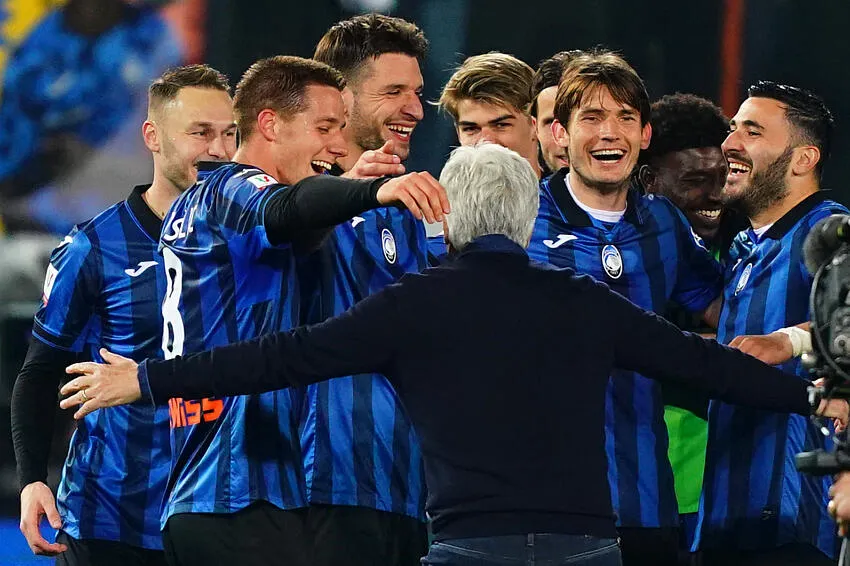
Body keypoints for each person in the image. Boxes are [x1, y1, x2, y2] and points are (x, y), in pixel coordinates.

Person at [58, 143, 849, 566]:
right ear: (531, 209)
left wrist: (145, 379)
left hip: (470, 547)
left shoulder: (411, 307)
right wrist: (817, 398)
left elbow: (277, 358)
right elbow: (708, 368)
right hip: (587, 547)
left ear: (448, 216)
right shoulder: (583, 300)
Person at [144, 55, 448, 566]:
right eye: (325, 127)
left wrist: (352, 188)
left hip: (226, 486)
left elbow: (303, 224)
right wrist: (373, 189)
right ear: (268, 123)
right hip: (236, 490)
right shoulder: (228, 186)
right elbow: (288, 210)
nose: (336, 142)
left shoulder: (205, 209)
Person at [10, 64, 236, 565]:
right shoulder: (93, 246)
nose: (219, 150)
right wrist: (30, 480)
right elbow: (41, 370)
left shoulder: (252, 240)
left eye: (229, 133)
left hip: (223, 511)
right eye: (200, 133)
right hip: (111, 516)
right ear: (153, 137)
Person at [526, 50, 723, 566]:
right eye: (591, 118)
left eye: (625, 118)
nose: (609, 133)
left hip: (648, 502)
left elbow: (728, 314)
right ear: (560, 135)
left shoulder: (665, 226)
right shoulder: (521, 218)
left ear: (645, 136)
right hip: (544, 506)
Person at [692, 81, 848, 566]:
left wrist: (785, 340)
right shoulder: (746, 249)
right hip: (724, 518)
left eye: (753, 131)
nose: (730, 144)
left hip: (795, 524)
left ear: (803, 159)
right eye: (733, 128)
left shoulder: (829, 227)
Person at [303, 14, 432, 565]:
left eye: (419, 93)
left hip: (410, 484)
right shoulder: (288, 199)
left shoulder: (406, 206)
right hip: (318, 485)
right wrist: (344, 190)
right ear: (341, 98)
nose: (416, 110)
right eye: (395, 92)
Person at [636, 93, 741, 557]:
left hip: (723, 495)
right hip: (639, 494)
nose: (714, 195)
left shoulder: (749, 257)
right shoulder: (622, 260)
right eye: (695, 181)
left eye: (723, 178)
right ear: (649, 180)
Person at [438, 52, 542, 177]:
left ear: (535, 126)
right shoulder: (441, 196)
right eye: (471, 129)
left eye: (501, 125)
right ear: (458, 133)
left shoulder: (566, 194)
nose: (486, 142)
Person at [529, 50, 584, 176]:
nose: (565, 138)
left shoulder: (635, 194)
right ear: (535, 127)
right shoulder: (525, 195)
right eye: (551, 122)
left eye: (584, 119)